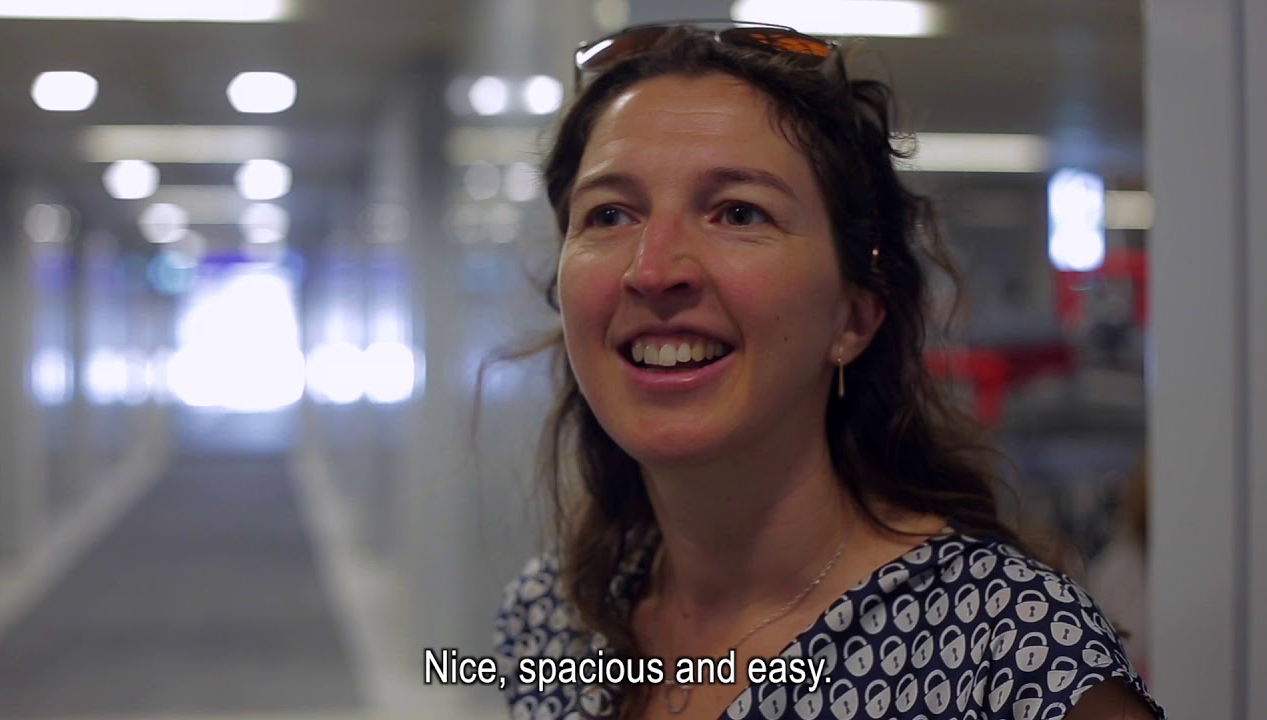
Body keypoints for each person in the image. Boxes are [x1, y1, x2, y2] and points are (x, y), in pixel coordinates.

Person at [494, 21, 1164, 720]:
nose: (654, 269)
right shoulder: (554, 623)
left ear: (854, 318)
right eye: (609, 214)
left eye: (738, 211)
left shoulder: (1007, 655)